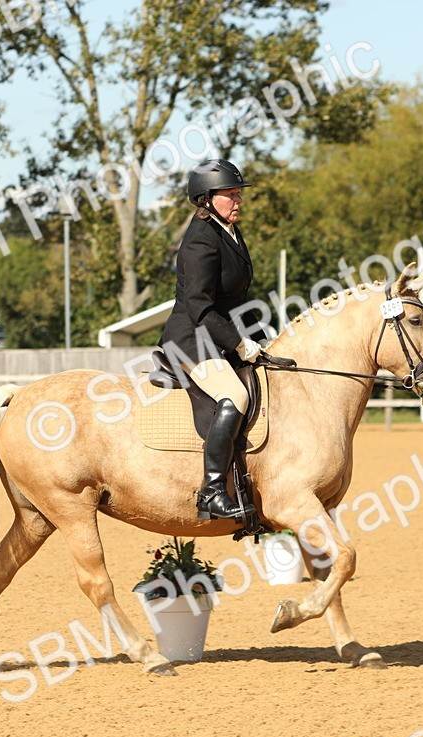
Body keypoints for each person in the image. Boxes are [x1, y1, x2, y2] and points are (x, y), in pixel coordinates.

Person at [158, 159, 262, 520]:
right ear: (205, 200)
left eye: (238, 194)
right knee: (235, 394)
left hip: (217, 336)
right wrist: (238, 343)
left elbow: (239, 299)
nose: (238, 201)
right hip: (191, 338)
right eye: (230, 195)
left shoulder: (229, 232)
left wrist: (264, 340)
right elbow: (199, 305)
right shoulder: (201, 240)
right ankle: (212, 492)